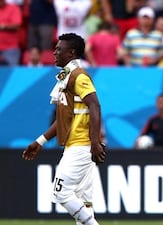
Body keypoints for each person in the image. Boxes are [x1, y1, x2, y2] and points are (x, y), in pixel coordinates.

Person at [22, 33, 105, 225]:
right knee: (84, 203)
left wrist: (94, 141)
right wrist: (40, 142)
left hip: (82, 145)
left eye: (59, 49)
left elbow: (95, 105)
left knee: (60, 192)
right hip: (77, 144)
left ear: (71, 53)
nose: (54, 53)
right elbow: (63, 120)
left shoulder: (79, 76)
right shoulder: (66, 76)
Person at [0, 0, 22, 66]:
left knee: (12, 73)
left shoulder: (13, 8)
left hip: (10, 48)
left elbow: (17, 26)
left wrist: (2, 26)